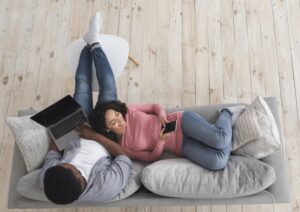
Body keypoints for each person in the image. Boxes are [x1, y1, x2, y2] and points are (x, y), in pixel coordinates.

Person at [83, 16, 246, 171]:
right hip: (179, 145)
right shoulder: (125, 147)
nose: (120, 120)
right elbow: (150, 158)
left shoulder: (129, 111)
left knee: (220, 140)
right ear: (107, 130)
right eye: (114, 122)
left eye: (117, 115)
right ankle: (227, 137)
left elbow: (154, 107)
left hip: (181, 122)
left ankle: (226, 113)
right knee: (217, 162)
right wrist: (161, 141)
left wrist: (161, 115)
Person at [39, 12, 132, 205]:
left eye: (63, 163)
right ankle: (93, 42)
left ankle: (88, 42)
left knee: (82, 84)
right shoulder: (105, 186)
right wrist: (93, 135)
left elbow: (53, 153)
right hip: (104, 135)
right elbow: (123, 157)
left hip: (76, 131)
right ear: (81, 180)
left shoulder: (50, 178)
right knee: (108, 84)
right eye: (70, 166)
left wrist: (62, 128)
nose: (66, 162)